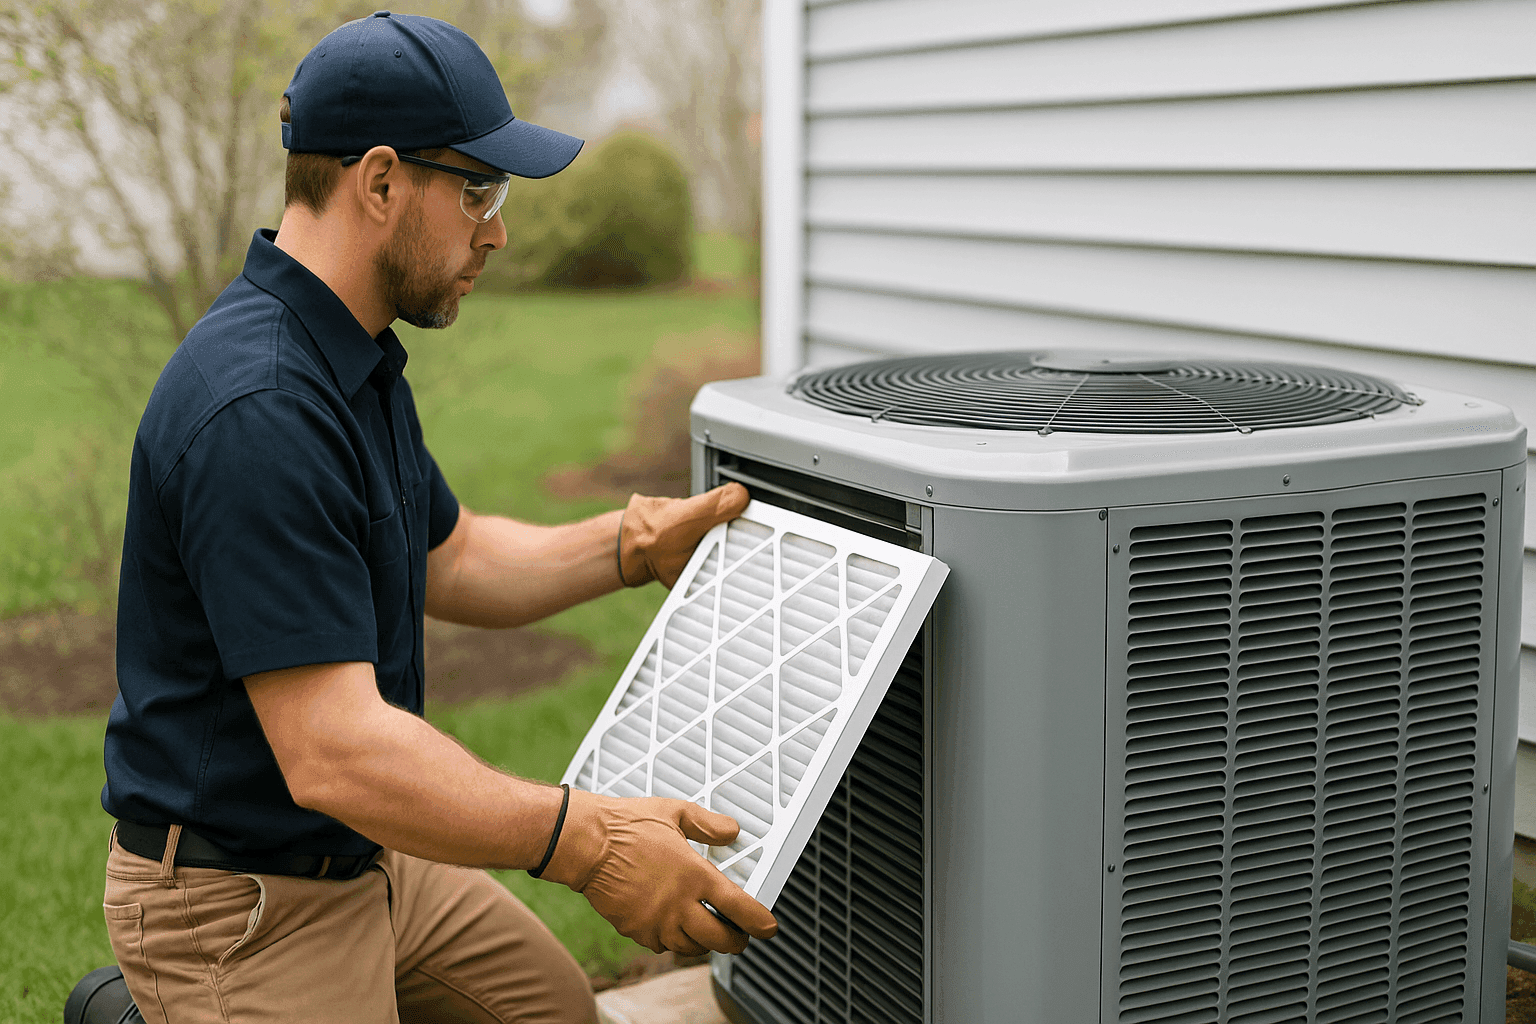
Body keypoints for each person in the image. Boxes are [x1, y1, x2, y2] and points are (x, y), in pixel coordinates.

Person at [98, 12, 776, 1023]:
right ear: (379, 182)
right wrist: (588, 841)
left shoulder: (351, 353)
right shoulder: (260, 406)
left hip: (365, 851)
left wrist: (632, 545)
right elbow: (336, 749)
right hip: (240, 899)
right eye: (477, 190)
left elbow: (450, 556)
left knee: (555, 1011)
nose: (496, 231)